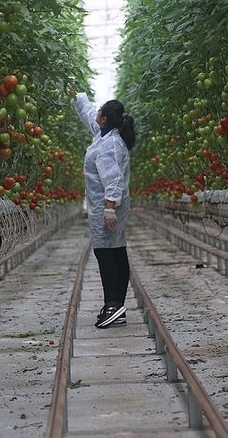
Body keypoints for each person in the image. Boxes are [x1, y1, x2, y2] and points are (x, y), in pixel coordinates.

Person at [72, 91, 136, 328]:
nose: (96, 112)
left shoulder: (110, 145)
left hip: (107, 206)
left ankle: (113, 305)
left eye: (100, 110)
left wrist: (109, 207)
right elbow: (90, 115)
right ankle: (116, 307)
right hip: (107, 204)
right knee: (115, 249)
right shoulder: (105, 134)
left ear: (105, 119)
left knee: (106, 252)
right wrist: (77, 96)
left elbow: (113, 178)